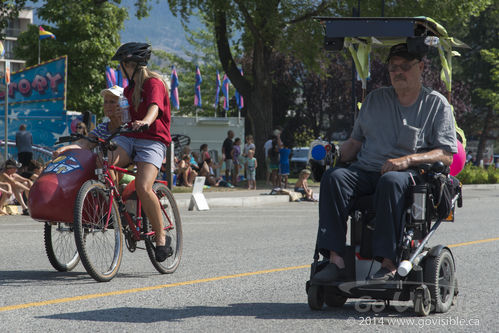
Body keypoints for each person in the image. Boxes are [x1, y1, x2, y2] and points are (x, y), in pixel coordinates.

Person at [312, 43, 457, 284]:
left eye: (404, 67)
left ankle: (387, 264)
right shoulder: (374, 100)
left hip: (410, 174)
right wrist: (332, 153)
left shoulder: (435, 104)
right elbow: (354, 144)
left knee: (390, 181)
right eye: (393, 68)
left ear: (420, 67)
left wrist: (407, 160)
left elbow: (445, 155)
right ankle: (335, 260)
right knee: (334, 177)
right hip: (366, 170)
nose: (398, 72)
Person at [110, 42, 172, 262]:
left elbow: (154, 107)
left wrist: (145, 121)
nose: (119, 69)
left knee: (143, 187)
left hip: (152, 140)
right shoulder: (127, 90)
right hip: (130, 138)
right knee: (107, 163)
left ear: (131, 64)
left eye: (121, 64)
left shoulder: (153, 82)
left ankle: (161, 238)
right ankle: (117, 208)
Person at [53, 85, 124, 157]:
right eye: (105, 102)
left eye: (112, 102)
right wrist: (63, 150)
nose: (107, 105)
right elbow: (84, 143)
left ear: (123, 105)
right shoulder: (102, 127)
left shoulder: (129, 127)